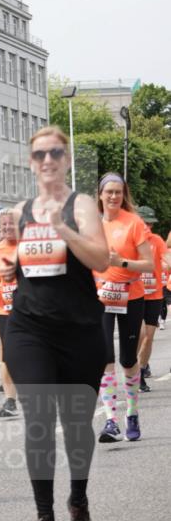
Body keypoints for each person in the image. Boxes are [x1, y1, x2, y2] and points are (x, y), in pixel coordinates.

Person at [1, 128, 110, 521]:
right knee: (39, 418)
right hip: (30, 328)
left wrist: (63, 229)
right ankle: (43, 518)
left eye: (55, 153)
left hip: (80, 329)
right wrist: (15, 268)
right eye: (39, 154)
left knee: (77, 424)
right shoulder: (20, 209)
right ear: (31, 162)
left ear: (66, 160)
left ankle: (78, 500)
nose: (47, 160)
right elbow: (25, 259)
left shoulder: (81, 205)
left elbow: (99, 258)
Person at [94, 174, 152, 442]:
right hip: (101, 298)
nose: (113, 197)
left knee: (128, 359)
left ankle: (131, 413)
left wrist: (122, 262)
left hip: (131, 296)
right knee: (104, 354)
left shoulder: (134, 223)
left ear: (123, 194)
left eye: (118, 192)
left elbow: (149, 264)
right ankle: (111, 421)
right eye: (109, 192)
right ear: (101, 195)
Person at [0, 209, 19, 418]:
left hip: (27, 308)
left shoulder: (27, 246)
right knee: (7, 352)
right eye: (4, 225)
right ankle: (10, 400)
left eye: (11, 224)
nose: (7, 227)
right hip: (2, 307)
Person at [136, 209, 169, 389]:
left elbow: (167, 257)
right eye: (145, 223)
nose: (148, 226)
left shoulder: (157, 240)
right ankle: (132, 367)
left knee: (149, 337)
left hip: (154, 295)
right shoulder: (132, 240)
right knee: (139, 335)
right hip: (135, 294)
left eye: (150, 223)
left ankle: (141, 372)